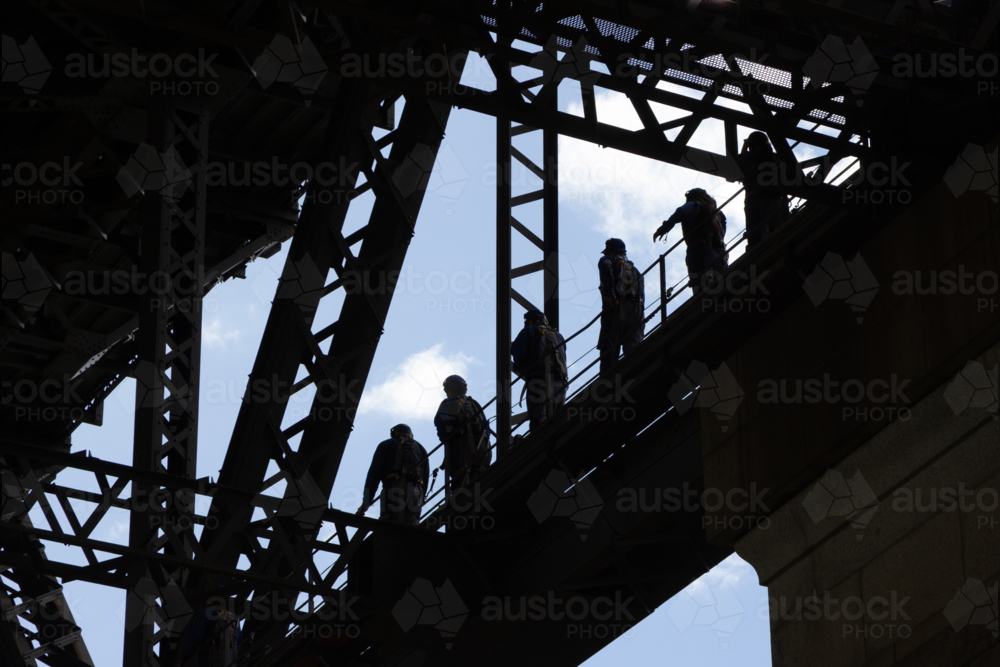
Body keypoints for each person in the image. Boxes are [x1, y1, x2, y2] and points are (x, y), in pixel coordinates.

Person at [653, 189, 729, 295]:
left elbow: (680, 213)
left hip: (700, 253)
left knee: (702, 292)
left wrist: (662, 229)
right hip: (720, 255)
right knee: (722, 289)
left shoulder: (695, 204)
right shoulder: (718, 213)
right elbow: (723, 229)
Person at [357, 424, 428, 526]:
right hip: (416, 493)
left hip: (393, 490)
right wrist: (421, 499)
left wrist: (365, 504)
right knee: (412, 525)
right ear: (411, 434)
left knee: (389, 525)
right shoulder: (421, 449)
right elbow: (425, 478)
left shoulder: (386, 445)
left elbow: (373, 476)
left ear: (394, 433)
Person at [511, 309, 568, 431]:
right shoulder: (558, 336)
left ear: (531, 321)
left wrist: (519, 368)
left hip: (538, 381)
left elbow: (517, 352)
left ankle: (539, 444)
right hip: (560, 382)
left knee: (538, 418)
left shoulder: (529, 331)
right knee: (557, 418)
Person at [434, 375, 490, 493]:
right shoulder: (473, 403)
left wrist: (449, 437)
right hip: (481, 448)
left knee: (461, 480)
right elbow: (486, 427)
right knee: (481, 478)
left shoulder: (448, 403)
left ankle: (459, 504)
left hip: (460, 448)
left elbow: (441, 428)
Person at [597, 238, 645, 376]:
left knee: (610, 345)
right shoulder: (636, 271)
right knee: (633, 348)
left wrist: (610, 294)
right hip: (636, 313)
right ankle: (636, 376)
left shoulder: (608, 260)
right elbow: (642, 297)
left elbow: (605, 266)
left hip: (616, 310)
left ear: (611, 251)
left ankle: (607, 383)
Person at [737, 131, 789, 250]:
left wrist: (744, 147)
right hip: (777, 201)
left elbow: (737, 165)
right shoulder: (775, 157)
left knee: (757, 240)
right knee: (778, 237)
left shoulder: (752, 156)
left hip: (758, 200)